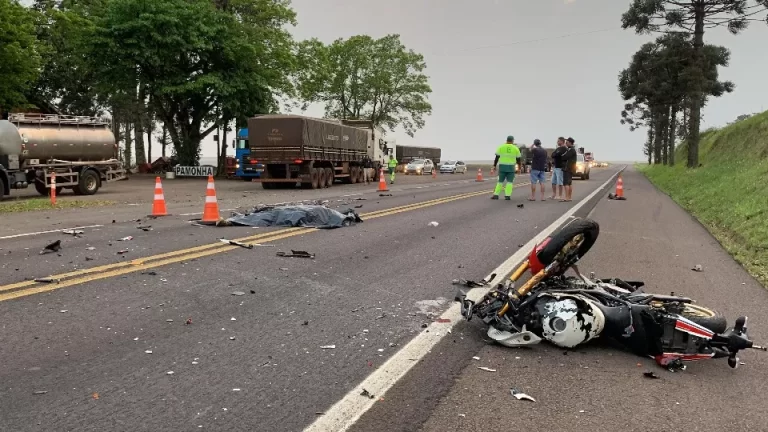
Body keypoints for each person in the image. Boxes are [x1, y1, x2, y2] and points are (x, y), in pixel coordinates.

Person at [491, 135, 522, 200]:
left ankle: (496, 195)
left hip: (502, 167)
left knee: (500, 181)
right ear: (513, 141)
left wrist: (494, 166)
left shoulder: (501, 147)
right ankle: (507, 195)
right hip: (511, 168)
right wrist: (519, 168)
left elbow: (497, 158)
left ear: (506, 140)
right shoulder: (516, 148)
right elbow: (518, 160)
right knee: (510, 182)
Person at [560, 137, 577, 202]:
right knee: (569, 183)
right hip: (571, 168)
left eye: (566, 142)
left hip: (567, 168)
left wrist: (564, 151)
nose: (566, 143)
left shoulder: (571, 150)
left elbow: (564, 157)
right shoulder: (572, 150)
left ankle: (567, 197)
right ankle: (569, 197)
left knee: (566, 183)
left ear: (570, 143)